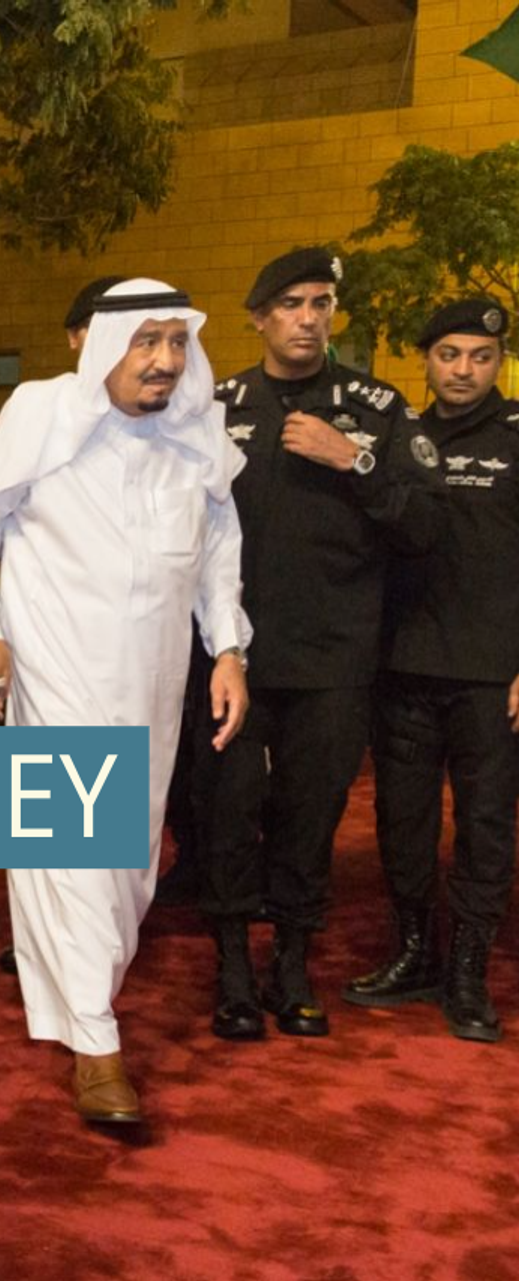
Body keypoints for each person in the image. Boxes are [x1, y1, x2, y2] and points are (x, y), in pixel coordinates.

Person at [0, 278, 251, 1127]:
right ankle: (97, 1042)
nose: (163, 360)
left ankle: (81, 996)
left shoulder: (195, 434)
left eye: (176, 342)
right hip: (56, 667)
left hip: (156, 682)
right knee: (76, 851)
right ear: (106, 343)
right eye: (145, 341)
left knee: (129, 868)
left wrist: (228, 645)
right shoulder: (42, 412)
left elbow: (220, 545)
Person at [199, 249, 442, 1042]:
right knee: (228, 812)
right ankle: (233, 964)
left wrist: (356, 459)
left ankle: (292, 962)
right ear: (260, 316)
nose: (310, 317)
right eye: (293, 303)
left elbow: (424, 524)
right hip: (232, 653)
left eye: (323, 302)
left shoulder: (373, 405)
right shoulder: (217, 403)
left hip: (335, 655)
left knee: (313, 813)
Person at [348, 299, 519, 1043]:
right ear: (426, 358)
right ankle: (416, 955)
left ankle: (468, 973)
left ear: (500, 362)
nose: (463, 369)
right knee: (403, 822)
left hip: (491, 672)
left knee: (485, 827)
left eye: (480, 356)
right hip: (403, 665)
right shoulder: (399, 437)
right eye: (449, 354)